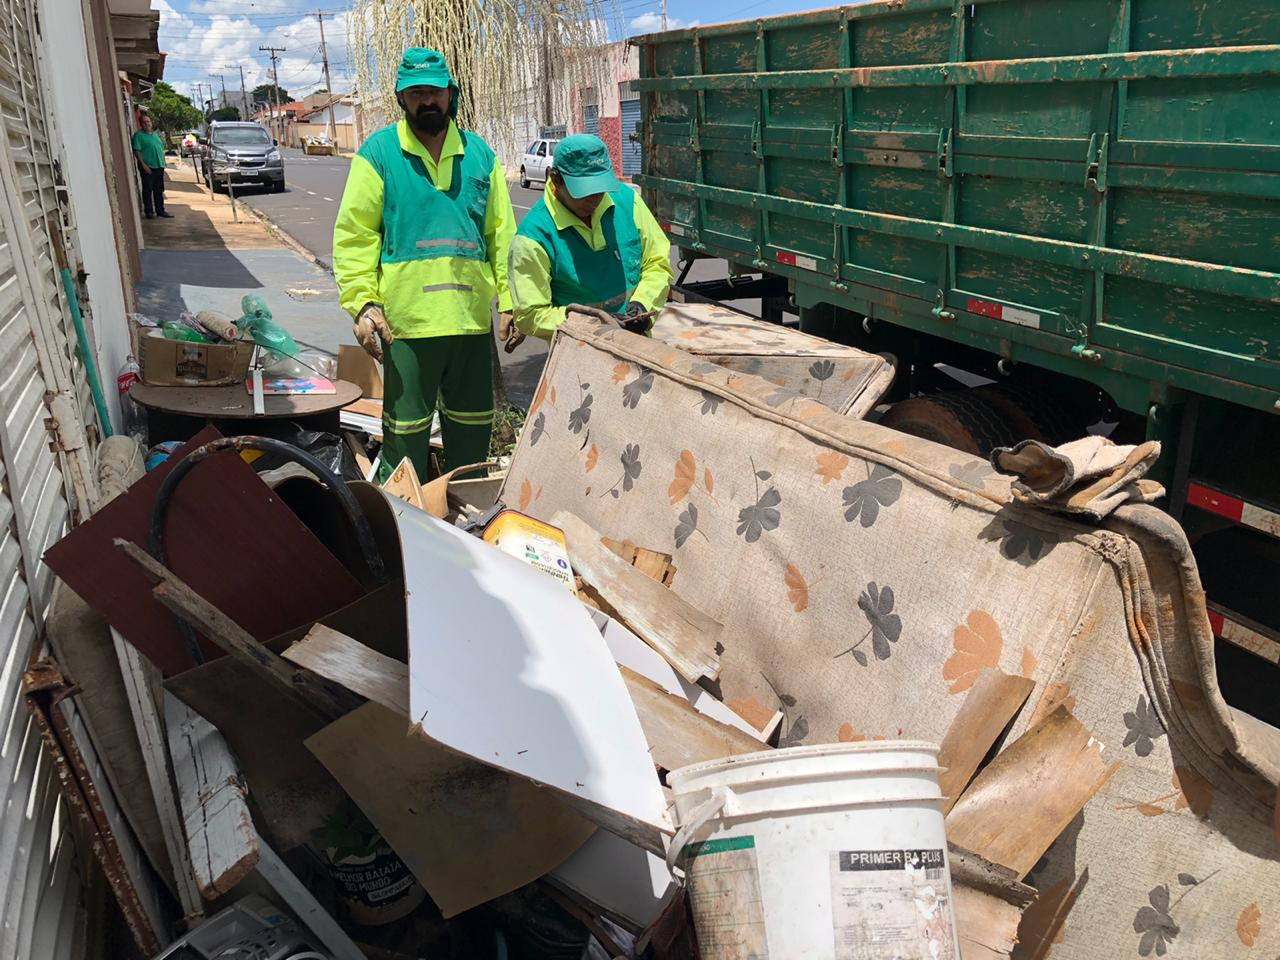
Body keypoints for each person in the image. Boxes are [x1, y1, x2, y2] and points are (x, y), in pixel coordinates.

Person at [334, 47, 515, 481]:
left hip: (470, 325)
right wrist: (362, 304)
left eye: (434, 91)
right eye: (415, 93)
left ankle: (466, 518)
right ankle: (404, 524)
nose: (426, 101)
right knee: (405, 436)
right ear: (401, 99)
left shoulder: (480, 156)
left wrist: (511, 300)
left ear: (451, 95)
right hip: (407, 327)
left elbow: (502, 236)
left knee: (472, 432)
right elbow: (355, 235)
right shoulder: (378, 156)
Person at [506, 133, 672, 344]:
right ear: (555, 178)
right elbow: (530, 315)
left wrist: (643, 305)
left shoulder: (628, 203)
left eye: (600, 187)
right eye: (584, 191)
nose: (595, 198)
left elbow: (657, 263)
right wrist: (594, 324)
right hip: (578, 354)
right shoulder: (533, 238)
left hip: (637, 344)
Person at [131, 113, 172, 219]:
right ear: (141, 124)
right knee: (148, 189)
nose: (147, 124)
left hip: (159, 166)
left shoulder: (155, 135)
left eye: (148, 121)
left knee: (159, 190)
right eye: (144, 122)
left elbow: (159, 148)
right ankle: (149, 212)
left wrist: (163, 162)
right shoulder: (138, 136)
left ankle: (160, 211)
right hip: (148, 167)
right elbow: (137, 151)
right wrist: (143, 165)